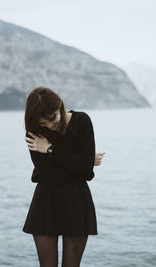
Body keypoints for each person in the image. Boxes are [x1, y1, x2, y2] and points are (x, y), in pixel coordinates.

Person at [23, 86, 105, 267]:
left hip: (77, 201)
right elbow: (50, 176)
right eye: (44, 123)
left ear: (60, 105)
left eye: (52, 118)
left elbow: (87, 173)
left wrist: (50, 150)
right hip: (47, 203)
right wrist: (82, 161)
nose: (50, 125)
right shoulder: (34, 134)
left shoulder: (82, 121)